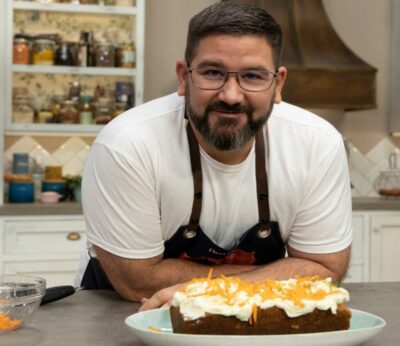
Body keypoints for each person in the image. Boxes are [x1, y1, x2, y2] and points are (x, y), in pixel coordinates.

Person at [76, 1, 352, 310]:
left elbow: (325, 271)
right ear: (184, 76)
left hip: (251, 320)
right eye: (212, 72)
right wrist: (278, 274)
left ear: (278, 84)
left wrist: (204, 290)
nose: (231, 95)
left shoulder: (317, 143)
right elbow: (136, 281)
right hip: (121, 316)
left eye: (253, 76)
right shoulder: (128, 143)